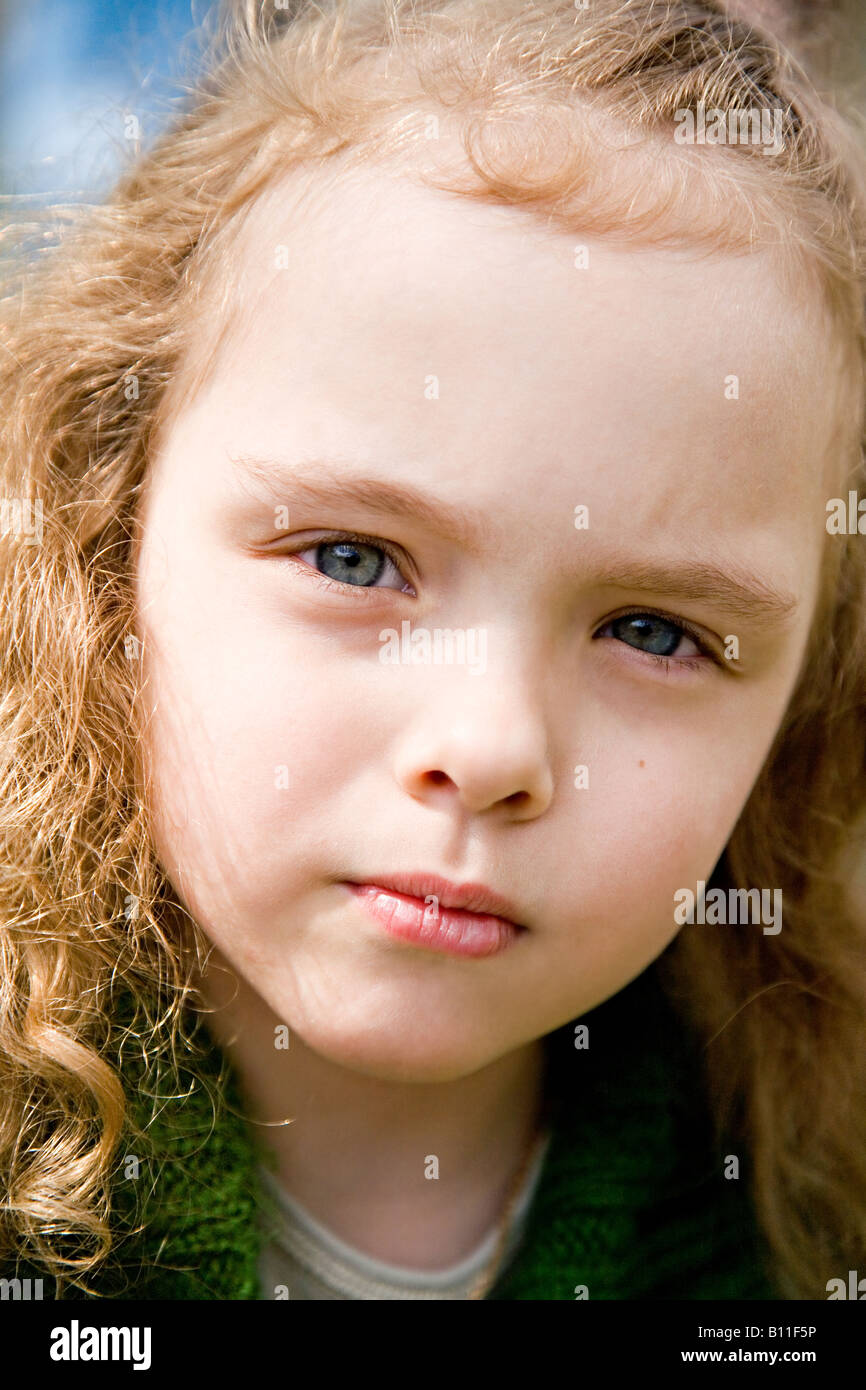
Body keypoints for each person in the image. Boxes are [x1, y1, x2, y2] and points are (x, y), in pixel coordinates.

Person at [1, 0, 865, 1302]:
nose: (488, 745)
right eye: (352, 558)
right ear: (105, 518)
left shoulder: (810, 1210)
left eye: (653, 632)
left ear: (803, 702)